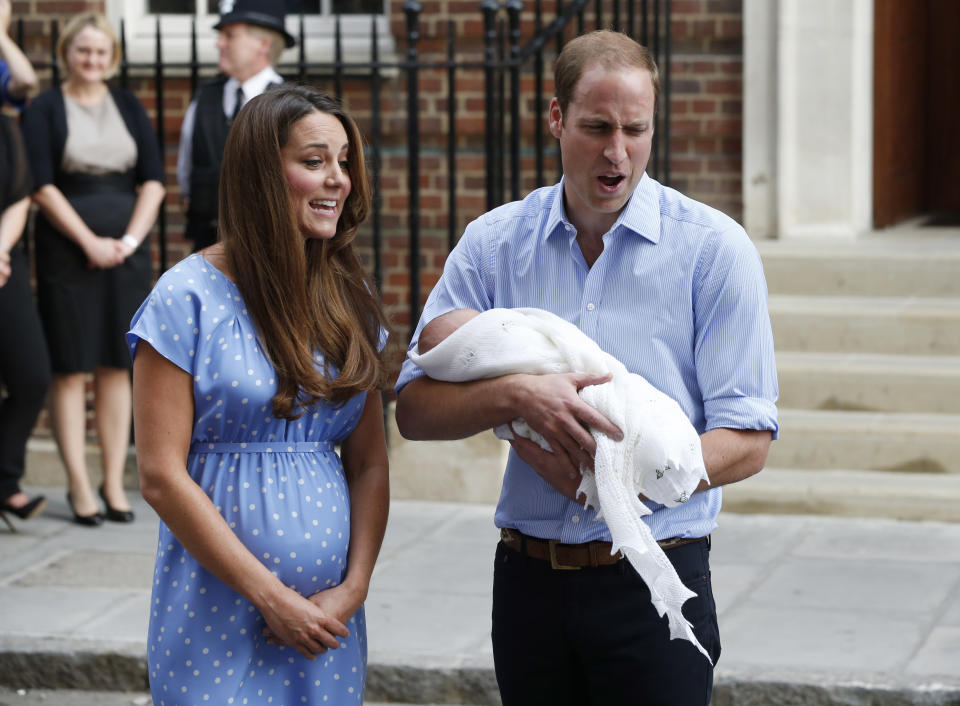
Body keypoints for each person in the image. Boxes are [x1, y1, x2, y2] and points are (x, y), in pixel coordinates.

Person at [395, 30, 779, 706]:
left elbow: (748, 439)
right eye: (597, 126)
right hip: (529, 581)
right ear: (555, 119)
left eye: (636, 129)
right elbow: (415, 408)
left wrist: (618, 479)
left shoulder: (715, 251)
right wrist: (516, 394)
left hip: (656, 577)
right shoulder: (494, 245)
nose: (617, 151)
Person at [129, 84, 392, 704]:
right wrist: (273, 598)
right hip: (216, 610)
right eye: (314, 161)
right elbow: (161, 476)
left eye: (344, 163)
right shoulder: (184, 297)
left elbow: (371, 461)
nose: (338, 180)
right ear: (259, 173)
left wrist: (352, 590)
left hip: (324, 626)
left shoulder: (347, 297)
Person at [21, 12, 166, 526]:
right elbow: (39, 184)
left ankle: (112, 483)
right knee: (69, 367)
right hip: (67, 251)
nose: (92, 60)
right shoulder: (43, 108)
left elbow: (153, 180)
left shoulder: (127, 104)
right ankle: (80, 487)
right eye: (83, 51)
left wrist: (126, 241)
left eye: (101, 52)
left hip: (126, 254)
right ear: (67, 54)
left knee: (115, 364)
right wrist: (88, 240)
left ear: (113, 58)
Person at [176, 0, 294, 252]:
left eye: (230, 35)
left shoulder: (290, 104)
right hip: (208, 242)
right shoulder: (206, 96)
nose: (220, 43)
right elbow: (187, 165)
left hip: (269, 246)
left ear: (263, 43)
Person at [0, 0, 50, 531]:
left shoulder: (7, 123)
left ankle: (3, 475)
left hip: (4, 259)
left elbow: (19, 193)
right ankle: (8, 487)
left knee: (31, 374)